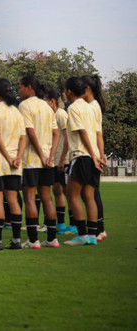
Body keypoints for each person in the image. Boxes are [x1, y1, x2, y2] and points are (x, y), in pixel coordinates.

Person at [18, 75, 60, 249]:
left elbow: (30, 132)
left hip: (31, 160)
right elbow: (56, 133)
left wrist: (42, 154)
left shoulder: (24, 106)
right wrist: (50, 155)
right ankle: (52, 239)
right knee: (47, 198)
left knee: (29, 198)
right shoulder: (46, 106)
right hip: (47, 162)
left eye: (20, 87)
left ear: (29, 88)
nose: (19, 90)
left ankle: (33, 240)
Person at [63, 77, 102, 246]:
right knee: (90, 196)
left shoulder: (73, 108)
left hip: (81, 156)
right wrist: (99, 155)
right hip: (93, 158)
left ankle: (82, 235)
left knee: (72, 196)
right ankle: (92, 235)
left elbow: (83, 133)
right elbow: (98, 134)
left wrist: (92, 155)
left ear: (69, 91)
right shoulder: (91, 108)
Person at [0, 78, 27, 250]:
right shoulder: (17, 112)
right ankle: (16, 240)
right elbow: (23, 137)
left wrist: (7, 157)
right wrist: (17, 157)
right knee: (13, 201)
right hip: (15, 164)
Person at [82, 75, 108, 241]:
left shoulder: (92, 107)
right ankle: (100, 228)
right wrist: (101, 153)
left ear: (88, 89)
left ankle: (98, 229)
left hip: (90, 155)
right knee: (92, 193)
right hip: (93, 154)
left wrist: (98, 154)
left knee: (91, 194)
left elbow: (97, 134)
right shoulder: (94, 105)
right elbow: (99, 133)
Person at [44, 89, 72, 234]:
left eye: (45, 101)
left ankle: (73, 224)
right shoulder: (53, 115)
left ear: (52, 101)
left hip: (64, 159)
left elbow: (68, 137)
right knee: (56, 190)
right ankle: (60, 223)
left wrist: (62, 159)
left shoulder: (61, 114)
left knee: (68, 192)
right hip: (56, 160)